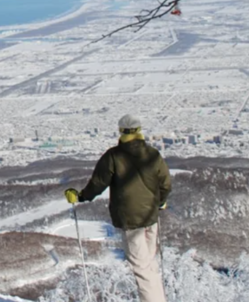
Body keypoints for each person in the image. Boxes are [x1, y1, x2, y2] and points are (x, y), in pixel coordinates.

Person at [64, 115, 171, 302]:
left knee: (141, 269)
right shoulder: (153, 154)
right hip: (151, 217)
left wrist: (81, 196)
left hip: (131, 220)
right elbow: (165, 184)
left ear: (121, 132)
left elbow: (97, 184)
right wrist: (160, 202)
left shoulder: (113, 156)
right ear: (139, 131)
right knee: (150, 265)